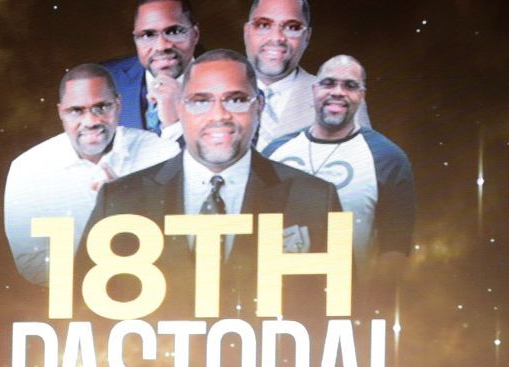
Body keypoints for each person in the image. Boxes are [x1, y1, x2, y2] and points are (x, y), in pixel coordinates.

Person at [82, 50, 343, 319]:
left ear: (259, 105)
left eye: (236, 100)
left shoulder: (314, 199)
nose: (219, 115)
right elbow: (82, 316)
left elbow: (341, 317)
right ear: (180, 108)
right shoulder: (119, 200)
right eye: (200, 101)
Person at [4, 63, 178, 284]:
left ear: (118, 105)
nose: (91, 121)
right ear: (61, 112)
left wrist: (131, 205)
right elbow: (31, 262)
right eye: (76, 111)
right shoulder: (28, 169)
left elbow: (185, 245)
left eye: (102, 107)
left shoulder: (163, 154)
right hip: (76, 301)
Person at [263, 54, 414, 297]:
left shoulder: (388, 158)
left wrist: (371, 305)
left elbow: (395, 246)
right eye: (329, 83)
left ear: (362, 95)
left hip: (347, 304)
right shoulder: (275, 152)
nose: (338, 92)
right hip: (274, 300)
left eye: (350, 86)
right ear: (314, 90)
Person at [243, 0, 369, 149]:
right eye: (264, 25)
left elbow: (363, 160)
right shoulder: (216, 87)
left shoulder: (345, 98)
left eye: (292, 27)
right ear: (247, 31)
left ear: (307, 37)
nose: (276, 37)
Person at [96, 1, 200, 134]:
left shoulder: (224, 82)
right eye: (148, 35)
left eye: (174, 32)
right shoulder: (105, 80)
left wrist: (175, 126)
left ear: (195, 34)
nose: (161, 46)